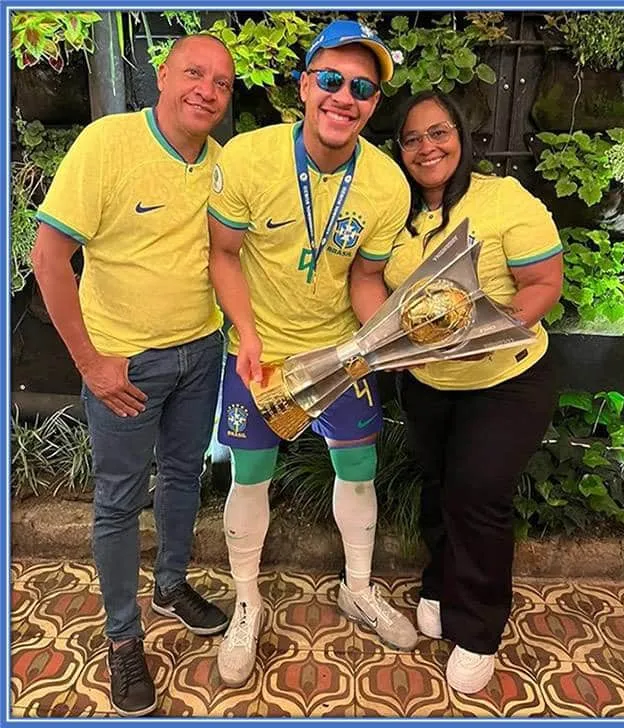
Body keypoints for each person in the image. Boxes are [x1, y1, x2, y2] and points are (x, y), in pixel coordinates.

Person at [207, 19, 418, 688]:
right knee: (250, 477)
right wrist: (248, 334)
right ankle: (248, 602)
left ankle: (357, 588)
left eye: (361, 87)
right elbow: (223, 254)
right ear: (304, 87)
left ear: (373, 103)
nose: (344, 96)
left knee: (358, 472)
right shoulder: (246, 157)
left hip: (340, 356)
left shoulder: (386, 184)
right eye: (330, 79)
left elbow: (364, 278)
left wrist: (382, 343)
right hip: (260, 353)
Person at [31, 34, 235, 717]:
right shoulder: (108, 144)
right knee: (118, 502)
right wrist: (90, 362)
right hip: (126, 366)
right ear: (162, 78)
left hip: (200, 352)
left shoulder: (219, 165)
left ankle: (171, 585)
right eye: (194, 74)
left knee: (183, 477)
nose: (207, 90)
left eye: (222, 83)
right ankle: (122, 637)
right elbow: (49, 258)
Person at [384, 89, 563, 694]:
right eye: (412, 138)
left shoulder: (502, 198)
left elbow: (543, 281)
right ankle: (438, 583)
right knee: (439, 485)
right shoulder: (393, 212)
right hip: (429, 382)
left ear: (460, 137)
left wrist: (496, 329)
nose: (426, 147)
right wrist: (380, 343)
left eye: (438, 133)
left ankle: (479, 628)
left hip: (506, 379)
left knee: (478, 495)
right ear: (399, 150)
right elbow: (365, 279)